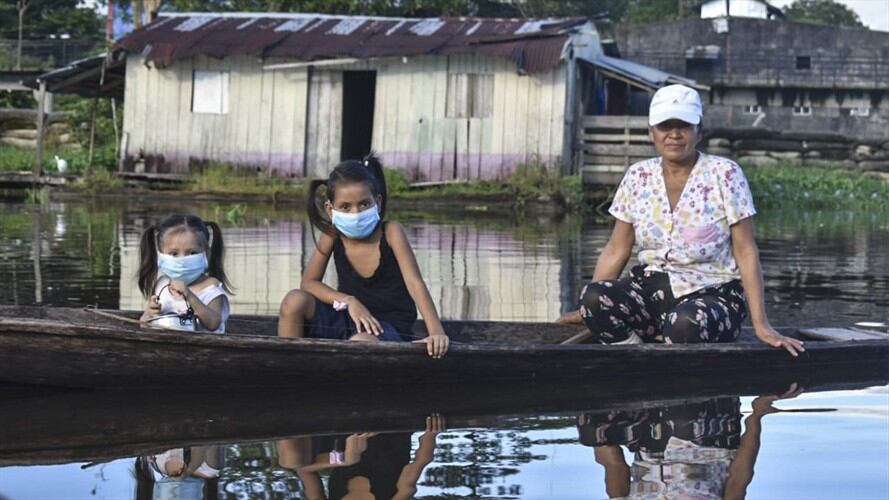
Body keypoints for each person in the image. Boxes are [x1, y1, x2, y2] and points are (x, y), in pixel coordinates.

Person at [560, 84, 804, 356]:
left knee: (682, 324)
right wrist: (589, 310)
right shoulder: (637, 176)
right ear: (651, 133)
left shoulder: (724, 174)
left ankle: (664, 350)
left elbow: (746, 251)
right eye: (665, 126)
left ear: (699, 132)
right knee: (593, 296)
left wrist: (762, 325)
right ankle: (633, 355)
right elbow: (617, 248)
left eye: (684, 126)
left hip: (713, 297)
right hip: (651, 295)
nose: (674, 135)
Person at [278, 154, 449, 358]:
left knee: (360, 343)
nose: (356, 213)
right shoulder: (333, 235)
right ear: (330, 210)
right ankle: (291, 368)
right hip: (348, 317)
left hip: (387, 328)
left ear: (377, 202)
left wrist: (436, 332)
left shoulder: (391, 232)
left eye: (364, 204)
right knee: (294, 301)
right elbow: (309, 283)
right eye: (345, 207)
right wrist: (348, 301)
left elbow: (415, 283)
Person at [578, 384, 803, 499]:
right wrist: (756, 416)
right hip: (706, 439)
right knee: (683, 417)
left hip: (648, 439)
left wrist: (597, 431)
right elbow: (741, 474)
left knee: (590, 430)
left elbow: (614, 466)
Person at [277, 414, 445, 500]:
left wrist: (343, 459)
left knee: (292, 458)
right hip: (392, 423)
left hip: (346, 427)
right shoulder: (396, 496)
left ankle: (286, 414)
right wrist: (431, 432)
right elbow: (421, 460)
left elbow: (299, 468)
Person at [139, 214, 232, 334]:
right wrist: (150, 314)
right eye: (174, 254)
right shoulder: (161, 284)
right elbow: (143, 323)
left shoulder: (211, 288)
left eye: (192, 253)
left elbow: (213, 324)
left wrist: (189, 294)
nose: (182, 260)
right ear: (160, 255)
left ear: (206, 253)